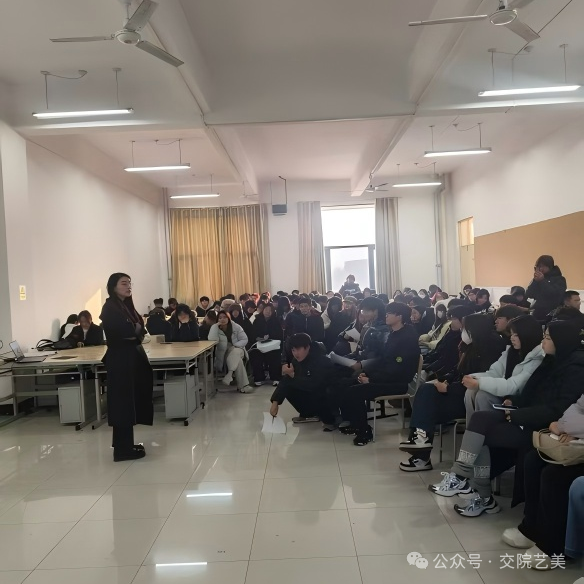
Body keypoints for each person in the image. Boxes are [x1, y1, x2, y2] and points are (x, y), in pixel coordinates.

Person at [428, 320, 584, 517]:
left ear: (561, 341)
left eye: (547, 338)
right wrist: (513, 401)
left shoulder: (573, 368)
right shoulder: (550, 360)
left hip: (542, 425)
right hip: (527, 414)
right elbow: (530, 392)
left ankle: (475, 488)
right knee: (479, 420)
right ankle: (465, 479)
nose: (543, 342)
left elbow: (558, 408)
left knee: (482, 432)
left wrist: (517, 414)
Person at [398, 313, 506, 472]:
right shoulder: (470, 346)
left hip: (470, 398)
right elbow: (457, 371)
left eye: (465, 328)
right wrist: (445, 380)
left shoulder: (491, 349)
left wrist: (449, 388)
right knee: (426, 389)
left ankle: (421, 452)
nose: (462, 330)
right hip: (458, 392)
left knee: (427, 408)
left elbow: (477, 380)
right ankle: (420, 440)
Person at [501, 395, 584, 568]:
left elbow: (566, 420)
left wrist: (564, 427)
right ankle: (532, 528)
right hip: (577, 442)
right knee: (534, 460)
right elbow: (576, 408)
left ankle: (553, 547)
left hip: (578, 440)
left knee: (555, 475)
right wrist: (567, 428)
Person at [337, 303, 420, 445]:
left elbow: (398, 369)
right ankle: (356, 423)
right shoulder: (394, 334)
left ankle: (365, 431)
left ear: (399, 316)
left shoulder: (407, 337)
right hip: (386, 378)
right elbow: (384, 360)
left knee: (354, 392)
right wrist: (366, 373)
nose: (386, 315)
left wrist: (372, 379)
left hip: (398, 382)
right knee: (343, 384)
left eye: (390, 313)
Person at [100, 273, 153, 462]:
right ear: (113, 287)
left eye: (130, 283)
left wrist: (136, 330)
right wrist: (136, 329)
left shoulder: (125, 306)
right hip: (121, 360)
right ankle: (123, 450)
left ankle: (125, 445)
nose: (128, 286)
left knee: (128, 403)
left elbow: (140, 330)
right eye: (124, 283)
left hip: (130, 358)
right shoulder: (110, 308)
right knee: (122, 404)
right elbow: (129, 331)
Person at [463, 315, 544, 420]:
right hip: (505, 394)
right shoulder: (512, 352)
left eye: (516, 335)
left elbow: (514, 386)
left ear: (527, 335)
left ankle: (484, 428)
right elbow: (494, 372)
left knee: (483, 396)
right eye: (511, 334)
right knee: (471, 391)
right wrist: (473, 378)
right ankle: (472, 427)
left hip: (519, 400)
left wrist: (480, 383)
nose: (512, 338)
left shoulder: (537, 359)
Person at [269, 333, 336, 423]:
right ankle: (307, 414)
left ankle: (314, 414)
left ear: (307, 347)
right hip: (312, 395)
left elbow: (314, 385)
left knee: (291, 380)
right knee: (288, 383)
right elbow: (288, 380)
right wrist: (275, 402)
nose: (296, 353)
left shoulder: (321, 360)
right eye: (293, 350)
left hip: (325, 398)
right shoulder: (296, 360)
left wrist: (292, 375)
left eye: (298, 349)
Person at [423, 305, 475, 381]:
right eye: (451, 318)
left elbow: (450, 362)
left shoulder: (464, 339)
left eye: (454, 318)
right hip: (439, 366)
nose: (451, 321)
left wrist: (432, 372)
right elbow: (439, 350)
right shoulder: (451, 333)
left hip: (448, 375)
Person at [208, 310, 253, 393]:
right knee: (238, 361)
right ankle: (243, 386)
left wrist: (235, 345)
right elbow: (212, 340)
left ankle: (229, 374)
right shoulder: (215, 328)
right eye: (220, 318)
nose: (222, 319)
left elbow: (244, 339)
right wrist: (215, 326)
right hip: (224, 353)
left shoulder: (236, 326)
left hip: (238, 348)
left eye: (224, 317)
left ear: (228, 318)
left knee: (235, 352)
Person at [250, 303, 284, 386]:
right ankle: (259, 378)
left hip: (273, 344)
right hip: (260, 344)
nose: (268, 312)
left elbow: (280, 334)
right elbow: (253, 333)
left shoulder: (276, 321)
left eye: (270, 310)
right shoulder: (257, 320)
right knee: (256, 356)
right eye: (266, 310)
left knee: (274, 357)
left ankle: (275, 378)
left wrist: (270, 336)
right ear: (263, 310)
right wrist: (258, 338)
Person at [526, 255, 567, 322]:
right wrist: (535, 281)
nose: (541, 269)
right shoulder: (538, 279)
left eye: (543, 266)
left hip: (553, 313)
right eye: (539, 266)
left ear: (550, 266)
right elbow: (529, 294)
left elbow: (554, 294)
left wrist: (542, 281)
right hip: (537, 312)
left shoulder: (560, 279)